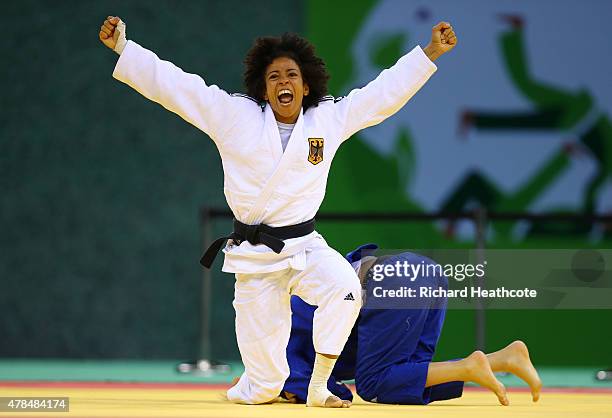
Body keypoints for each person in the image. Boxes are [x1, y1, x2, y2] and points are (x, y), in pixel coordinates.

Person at [98, 16, 457, 407]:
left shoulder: (328, 119)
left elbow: (381, 94)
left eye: (291, 75)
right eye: (273, 77)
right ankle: (249, 386)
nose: (283, 82)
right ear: (263, 88)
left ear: (306, 86)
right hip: (254, 259)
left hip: (305, 248)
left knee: (346, 289)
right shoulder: (235, 116)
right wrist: (124, 48)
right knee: (265, 387)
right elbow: (177, 86)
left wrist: (429, 53)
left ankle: (319, 387)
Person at [283, 244, 542, 406]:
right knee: (409, 376)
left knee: (373, 384)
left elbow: (332, 393)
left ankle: (468, 366)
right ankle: (504, 359)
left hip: (387, 283)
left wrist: (283, 391)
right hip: (423, 271)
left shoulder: (280, 352)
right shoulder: (292, 311)